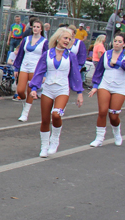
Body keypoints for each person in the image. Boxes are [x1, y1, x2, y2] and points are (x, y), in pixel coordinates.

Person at [27, 28, 84, 158]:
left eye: (69, 39)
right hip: (48, 89)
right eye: (65, 38)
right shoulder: (47, 54)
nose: (67, 41)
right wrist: (34, 88)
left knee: (56, 114)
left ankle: (55, 139)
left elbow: (75, 75)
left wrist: (79, 92)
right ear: (57, 38)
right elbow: (39, 72)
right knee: (45, 120)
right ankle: (44, 146)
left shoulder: (71, 56)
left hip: (63, 89)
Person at [88, 33, 125, 147]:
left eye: (120, 41)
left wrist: (119, 62)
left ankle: (117, 133)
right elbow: (99, 71)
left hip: (119, 87)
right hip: (105, 84)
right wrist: (95, 86)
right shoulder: (106, 54)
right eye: (115, 41)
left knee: (113, 115)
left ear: (124, 44)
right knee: (102, 111)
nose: (117, 43)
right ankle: (99, 138)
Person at [13, 19, 48, 122]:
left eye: (38, 27)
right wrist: (16, 68)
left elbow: (46, 59)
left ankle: (25, 113)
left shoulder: (44, 42)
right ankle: (24, 104)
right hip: (24, 66)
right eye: (34, 27)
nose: (36, 29)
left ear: (41, 29)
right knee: (20, 90)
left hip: (36, 69)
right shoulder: (26, 39)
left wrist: (44, 74)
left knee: (30, 91)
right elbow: (20, 55)